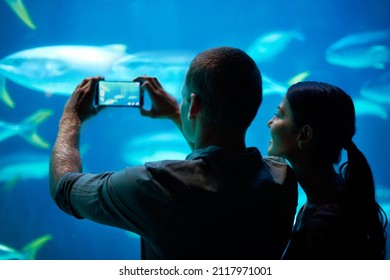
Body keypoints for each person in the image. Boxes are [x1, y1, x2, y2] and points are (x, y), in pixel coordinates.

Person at [49, 47, 298, 260]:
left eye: (185, 98)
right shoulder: (282, 179)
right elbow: (219, 165)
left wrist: (71, 118)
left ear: (194, 105)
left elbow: (64, 189)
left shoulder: (152, 184)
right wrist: (175, 111)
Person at [267, 81, 388, 259]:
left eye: (279, 115)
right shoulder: (327, 197)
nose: (269, 122)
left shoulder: (326, 223)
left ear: (304, 135)